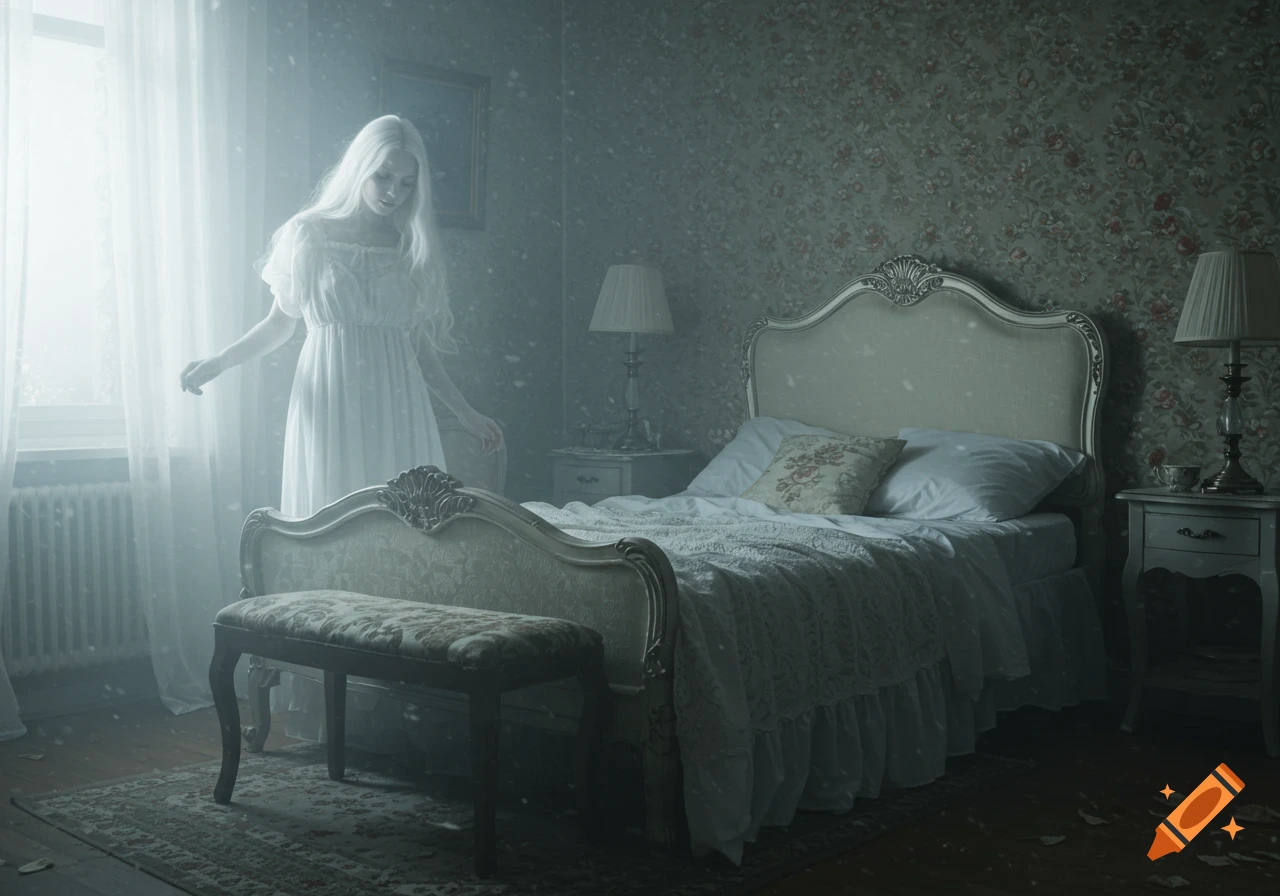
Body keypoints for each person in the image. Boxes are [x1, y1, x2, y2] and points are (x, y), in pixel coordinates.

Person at [179, 114, 502, 520]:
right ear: (360, 167)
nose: (393, 192)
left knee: (404, 525)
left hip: (397, 400)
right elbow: (280, 323)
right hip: (332, 397)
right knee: (331, 522)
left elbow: (417, 346)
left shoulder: (409, 245)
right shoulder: (309, 234)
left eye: (406, 183)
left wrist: (464, 411)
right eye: (383, 176)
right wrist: (219, 362)